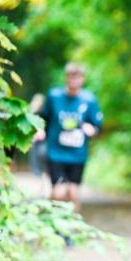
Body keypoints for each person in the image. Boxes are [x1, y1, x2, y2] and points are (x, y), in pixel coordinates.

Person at [33, 62, 104, 215]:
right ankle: (54, 221)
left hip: (78, 154)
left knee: (73, 193)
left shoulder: (89, 100)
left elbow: (97, 125)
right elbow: (43, 118)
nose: (74, 81)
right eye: (71, 77)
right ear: (66, 78)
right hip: (56, 152)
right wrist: (39, 130)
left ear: (82, 79)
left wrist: (92, 129)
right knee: (59, 192)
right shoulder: (54, 96)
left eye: (77, 77)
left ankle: (72, 228)